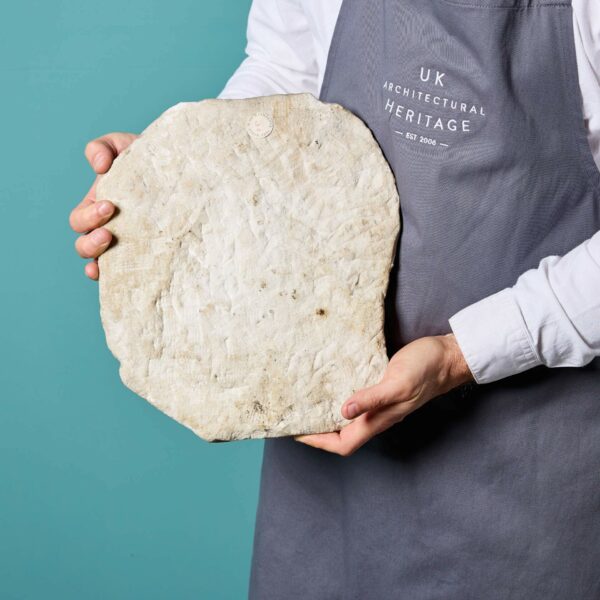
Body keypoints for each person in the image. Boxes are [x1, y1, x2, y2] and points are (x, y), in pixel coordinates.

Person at [70, 1, 600, 597]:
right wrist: (184, 173)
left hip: (525, 472)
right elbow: (286, 65)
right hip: (326, 461)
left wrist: (460, 355)